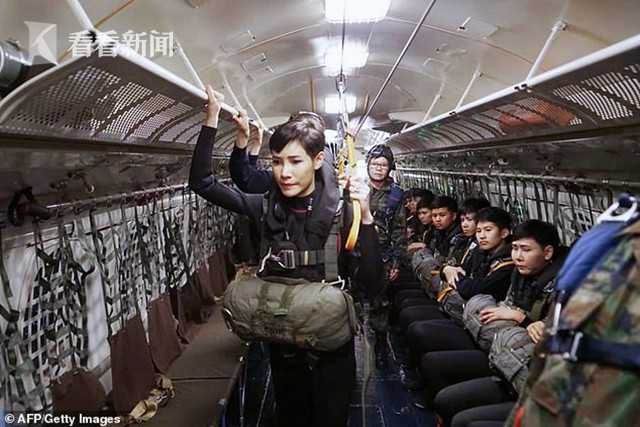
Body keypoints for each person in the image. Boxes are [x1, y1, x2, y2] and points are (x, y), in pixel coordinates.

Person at [189, 85, 383, 427]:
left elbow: (372, 284)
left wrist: (365, 217)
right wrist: (211, 120)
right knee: (292, 416)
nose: (284, 172)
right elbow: (203, 183)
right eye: (277, 162)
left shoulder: (342, 212)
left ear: (318, 160)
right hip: (283, 340)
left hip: (329, 348)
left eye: (295, 161)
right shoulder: (265, 207)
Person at [433, 220, 567, 425]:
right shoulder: (520, 275)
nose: (517, 256)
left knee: (464, 421)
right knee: (445, 399)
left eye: (526, 250)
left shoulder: (562, 287)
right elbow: (504, 309)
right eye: (515, 248)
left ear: (547, 252)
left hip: (529, 376)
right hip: (503, 361)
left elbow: (541, 333)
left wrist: (521, 319)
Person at [365, 143, 407, 369]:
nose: (379, 168)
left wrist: (396, 262)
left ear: (390, 168)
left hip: (381, 254)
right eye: (375, 164)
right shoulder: (356, 189)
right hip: (355, 252)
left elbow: (399, 230)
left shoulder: (396, 195)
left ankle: (380, 345)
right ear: (368, 165)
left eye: (383, 165)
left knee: (380, 302)